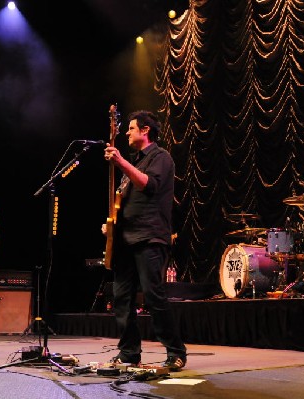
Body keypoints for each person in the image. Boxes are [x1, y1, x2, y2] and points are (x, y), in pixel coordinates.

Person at [101, 110, 187, 371]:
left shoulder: (160, 158)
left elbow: (149, 186)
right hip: (126, 240)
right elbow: (122, 202)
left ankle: (175, 351)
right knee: (121, 298)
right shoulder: (134, 164)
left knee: (153, 296)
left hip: (150, 237)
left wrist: (120, 162)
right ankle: (129, 353)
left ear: (145, 130)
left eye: (130, 128)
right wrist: (112, 225)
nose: (126, 132)